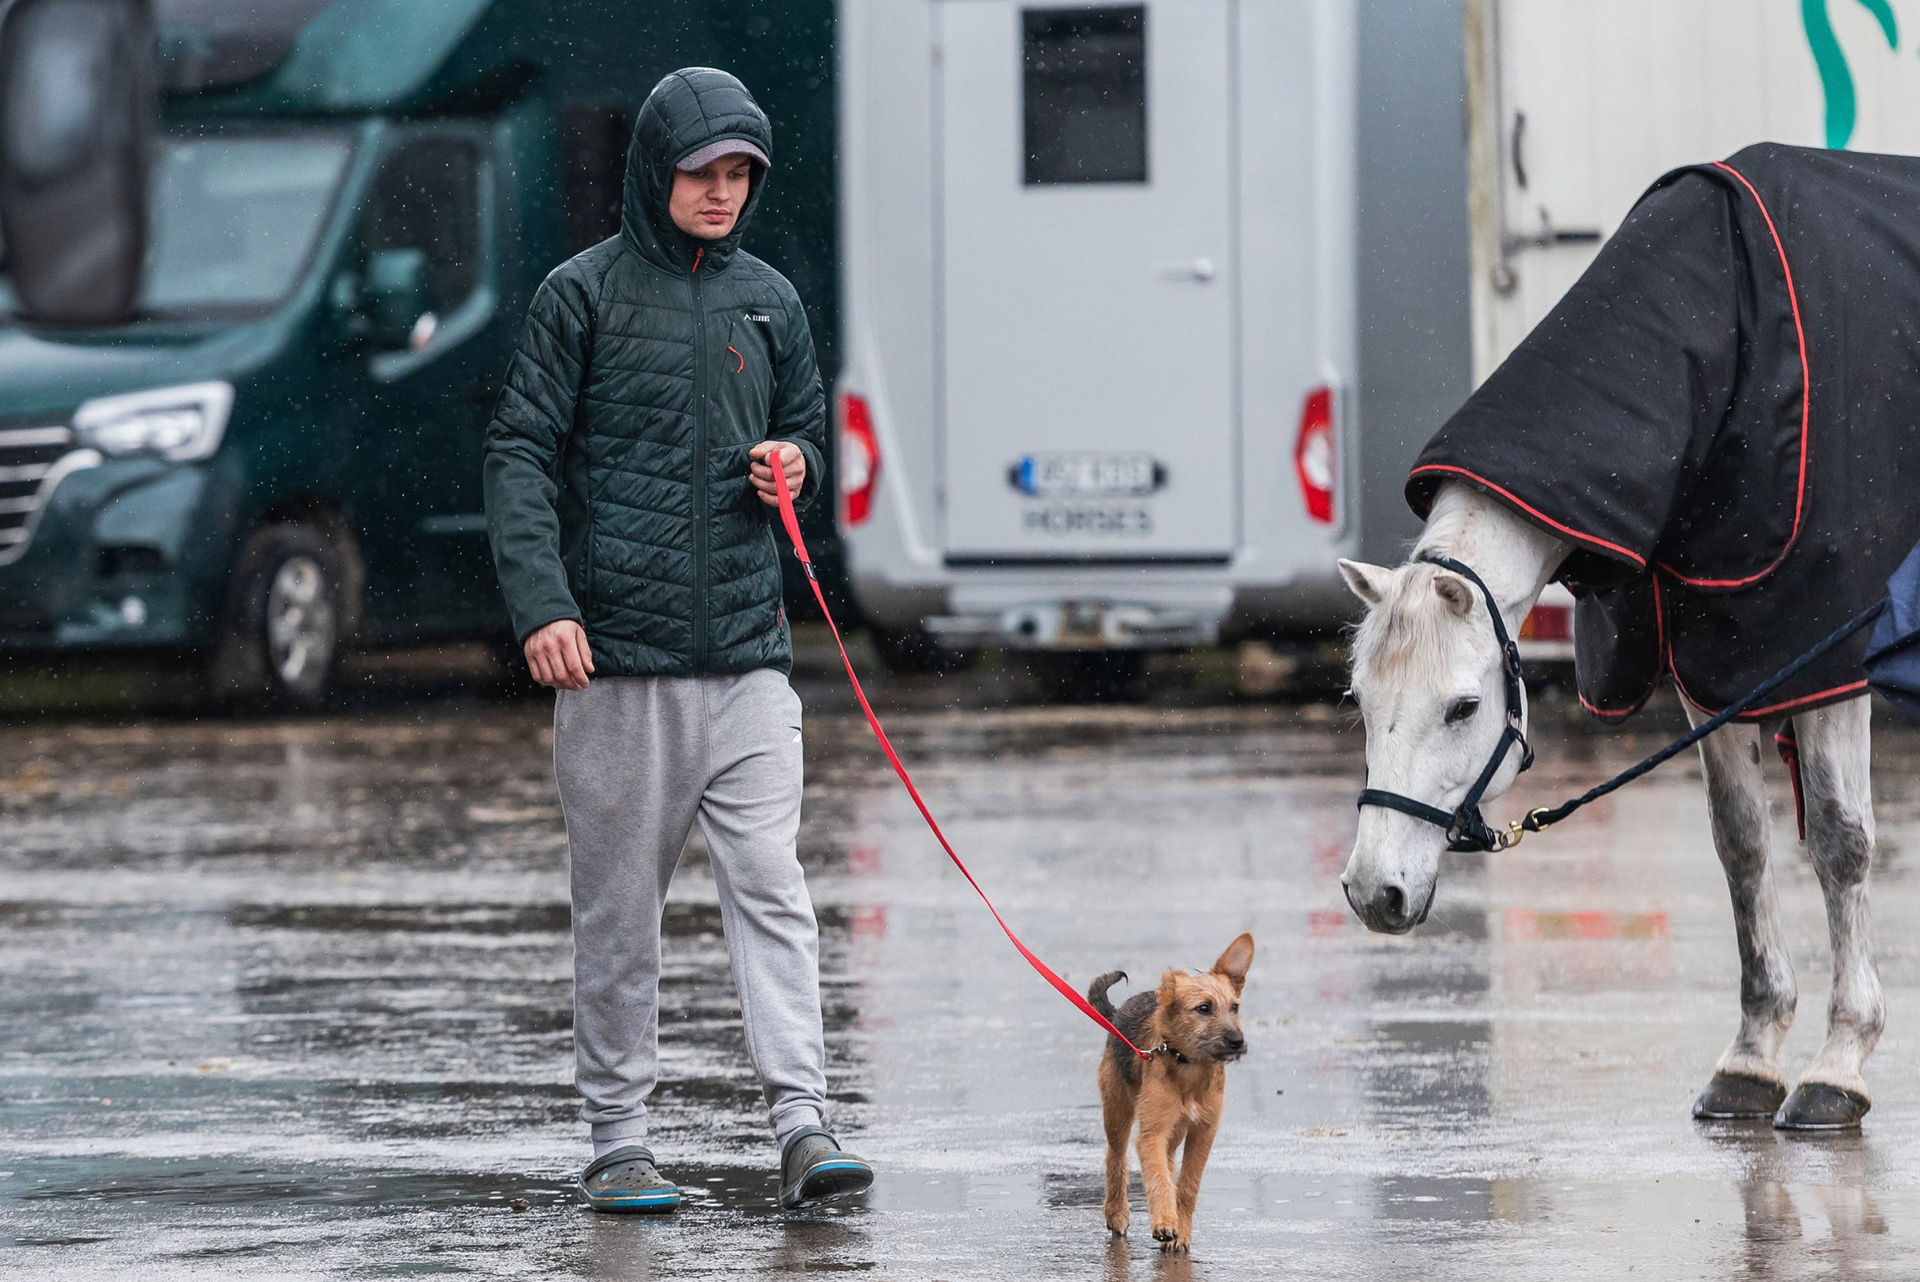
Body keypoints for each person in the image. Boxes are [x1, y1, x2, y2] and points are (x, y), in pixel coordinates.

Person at [482, 67, 872, 1213]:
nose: (723, 191)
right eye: (704, 171)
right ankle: (619, 1141)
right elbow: (517, 452)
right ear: (657, 169)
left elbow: (807, 435)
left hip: (750, 660)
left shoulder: (772, 301)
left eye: (742, 172)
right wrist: (545, 606)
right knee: (619, 913)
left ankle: (802, 1123)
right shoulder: (580, 296)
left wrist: (798, 465)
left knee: (773, 888)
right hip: (618, 668)